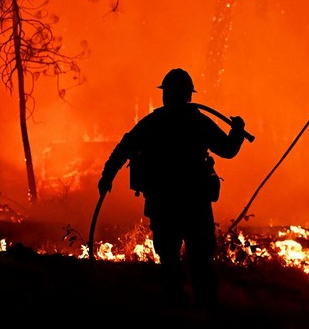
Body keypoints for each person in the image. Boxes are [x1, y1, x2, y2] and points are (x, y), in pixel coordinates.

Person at [97, 68, 247, 311]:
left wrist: (107, 177)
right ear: (189, 95)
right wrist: (237, 131)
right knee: (200, 259)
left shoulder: (153, 122)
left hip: (164, 202)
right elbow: (227, 150)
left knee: (169, 258)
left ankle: (175, 307)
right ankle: (204, 308)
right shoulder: (198, 122)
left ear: (165, 95)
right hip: (194, 203)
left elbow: (124, 147)